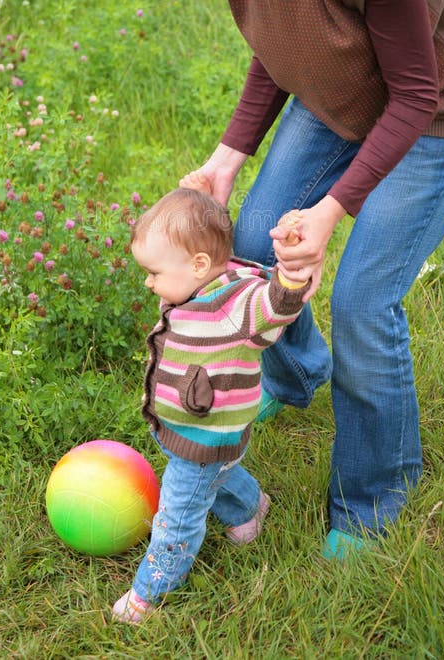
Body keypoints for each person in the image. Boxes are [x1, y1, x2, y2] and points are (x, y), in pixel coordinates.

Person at [118, 0, 444, 558]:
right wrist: (229, 156)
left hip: (440, 105)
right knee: (251, 235)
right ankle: (298, 374)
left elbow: (417, 94)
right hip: (343, 86)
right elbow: (282, 41)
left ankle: (374, 499)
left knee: (363, 298)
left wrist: (331, 207)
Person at [112, 187, 310, 623]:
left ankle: (150, 592)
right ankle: (249, 505)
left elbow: (275, 306)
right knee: (214, 475)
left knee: (177, 517)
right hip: (189, 431)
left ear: (199, 265)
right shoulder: (189, 289)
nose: (149, 282)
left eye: (154, 272)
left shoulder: (236, 307)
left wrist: (292, 271)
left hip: (205, 435)